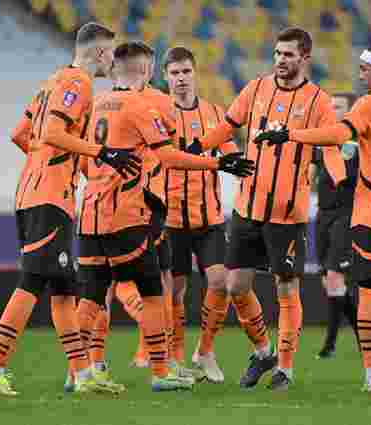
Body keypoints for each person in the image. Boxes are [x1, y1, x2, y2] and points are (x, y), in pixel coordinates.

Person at [253, 42, 371, 393]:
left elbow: (338, 134)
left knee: (370, 292)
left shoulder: (370, 104)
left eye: (365, 69)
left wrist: (290, 134)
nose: (361, 75)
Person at [75, 41, 255, 392]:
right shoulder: (141, 105)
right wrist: (217, 163)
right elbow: (169, 157)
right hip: (129, 214)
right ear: (148, 70)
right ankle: (161, 371)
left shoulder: (96, 103)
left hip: (91, 213)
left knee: (95, 293)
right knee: (154, 290)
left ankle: (80, 371)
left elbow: (84, 160)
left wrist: (102, 181)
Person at [0, 22, 134, 396]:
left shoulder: (51, 82)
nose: (112, 61)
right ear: (100, 52)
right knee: (32, 282)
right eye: (111, 53)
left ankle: (82, 374)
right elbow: (51, 133)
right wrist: (101, 153)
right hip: (49, 197)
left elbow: (20, 134)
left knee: (64, 290)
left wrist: (49, 163)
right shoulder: (79, 83)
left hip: (34, 192)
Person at [195, 27, 337, 390]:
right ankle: (263, 352)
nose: (281, 60)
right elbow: (226, 127)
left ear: (305, 57)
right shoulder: (255, 89)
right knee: (235, 285)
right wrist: (195, 149)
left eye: (288, 54)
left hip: (287, 214)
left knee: (286, 288)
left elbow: (333, 138)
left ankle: (285, 369)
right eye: (277, 53)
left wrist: (328, 166)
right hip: (248, 208)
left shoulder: (319, 101)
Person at [159, 46, 239, 383]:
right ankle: (176, 358)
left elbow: (229, 150)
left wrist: (239, 162)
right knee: (175, 293)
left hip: (210, 220)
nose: (181, 79)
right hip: (171, 220)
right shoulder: (159, 113)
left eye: (186, 72)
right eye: (174, 73)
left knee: (221, 283)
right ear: (165, 77)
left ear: (195, 73)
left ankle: (205, 351)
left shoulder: (214, 112)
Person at [309, 92, 359, 359]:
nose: (332, 110)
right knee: (329, 282)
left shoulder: (356, 144)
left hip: (347, 214)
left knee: (334, 276)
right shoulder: (324, 142)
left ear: (349, 112)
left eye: (338, 106)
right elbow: (310, 172)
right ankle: (363, 336)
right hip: (323, 215)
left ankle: (329, 345)